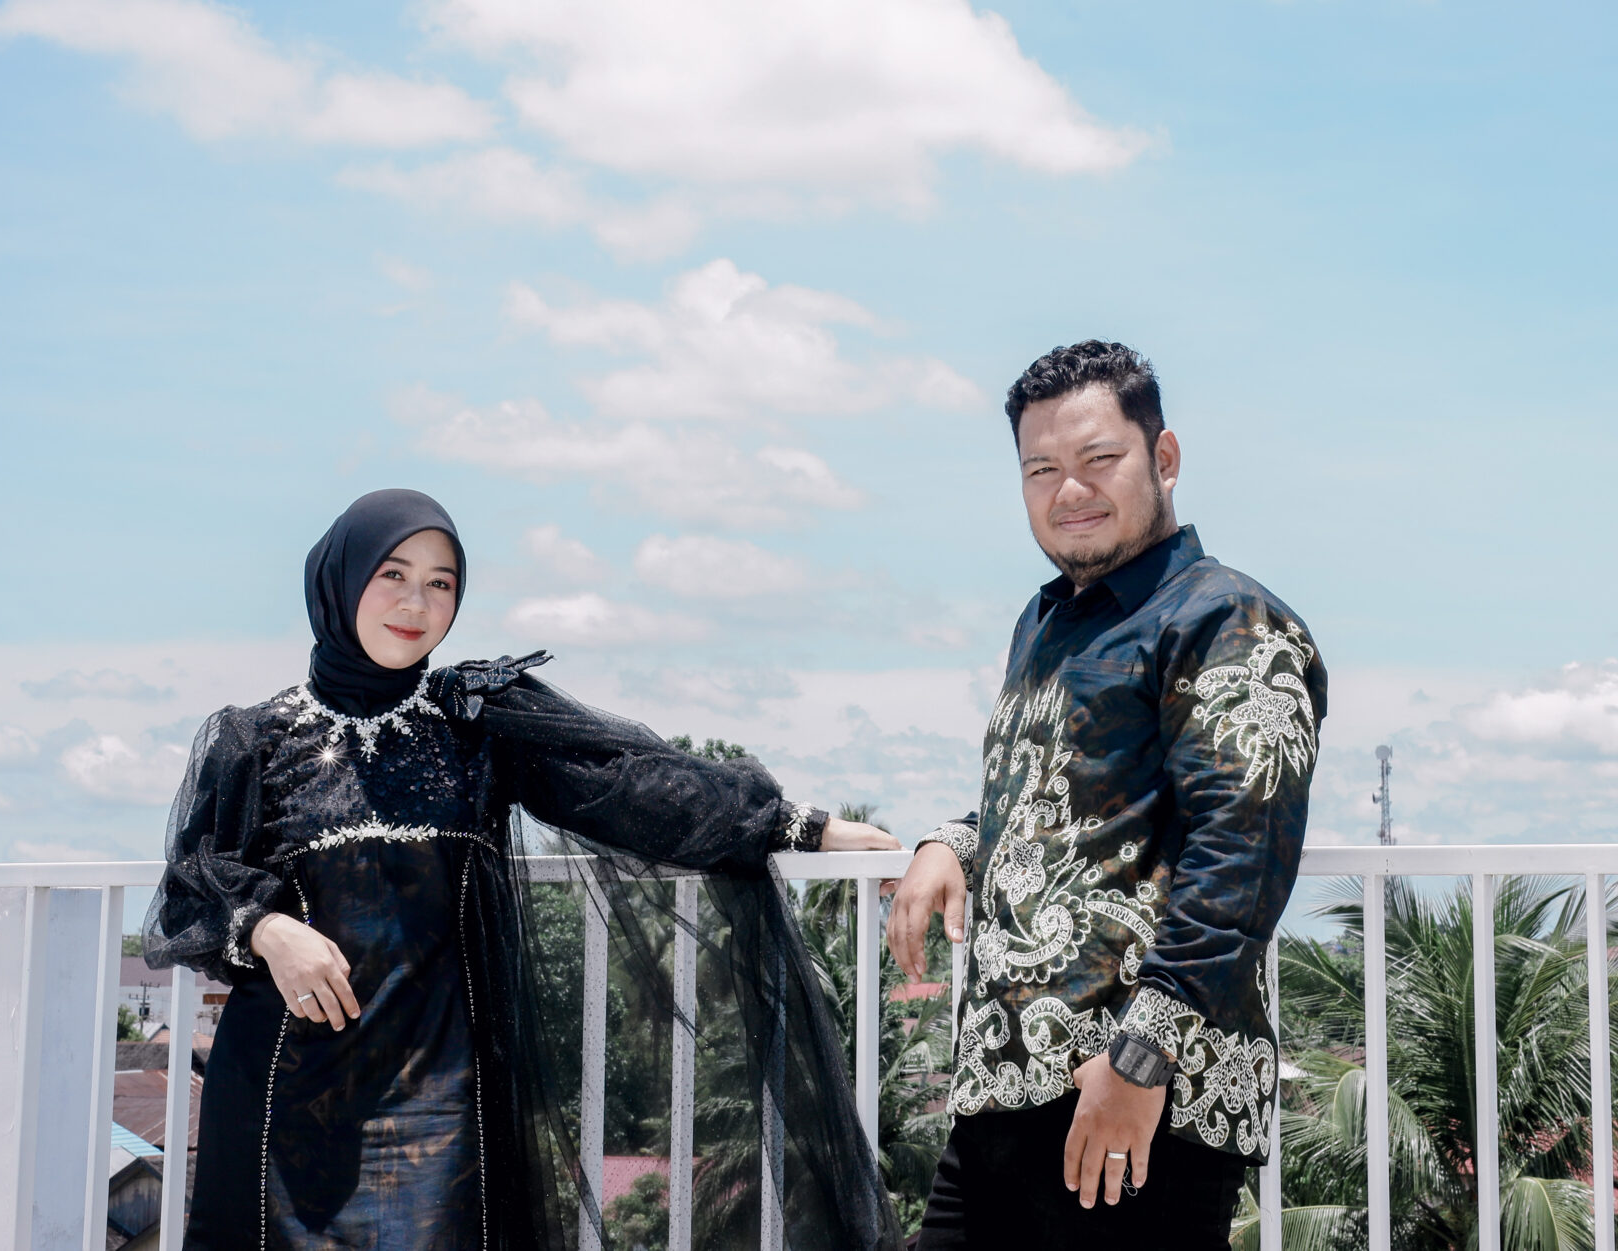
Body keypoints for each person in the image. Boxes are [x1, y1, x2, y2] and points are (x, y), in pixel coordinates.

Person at [145, 488, 902, 1250]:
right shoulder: (255, 741)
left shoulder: (472, 723)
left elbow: (628, 783)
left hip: (438, 1107)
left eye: (440, 582)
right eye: (393, 574)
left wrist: (795, 823)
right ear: (339, 581)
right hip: (282, 1101)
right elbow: (188, 889)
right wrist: (269, 928)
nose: (416, 602)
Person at [887, 342, 1328, 1249]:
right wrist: (952, 841)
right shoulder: (1046, 620)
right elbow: (1062, 802)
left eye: (1098, 459)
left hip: (1134, 1099)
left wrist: (1140, 1058)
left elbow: (1242, 852)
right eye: (1041, 469)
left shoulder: (1228, 617)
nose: (1069, 490)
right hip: (1002, 1093)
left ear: (1163, 457)